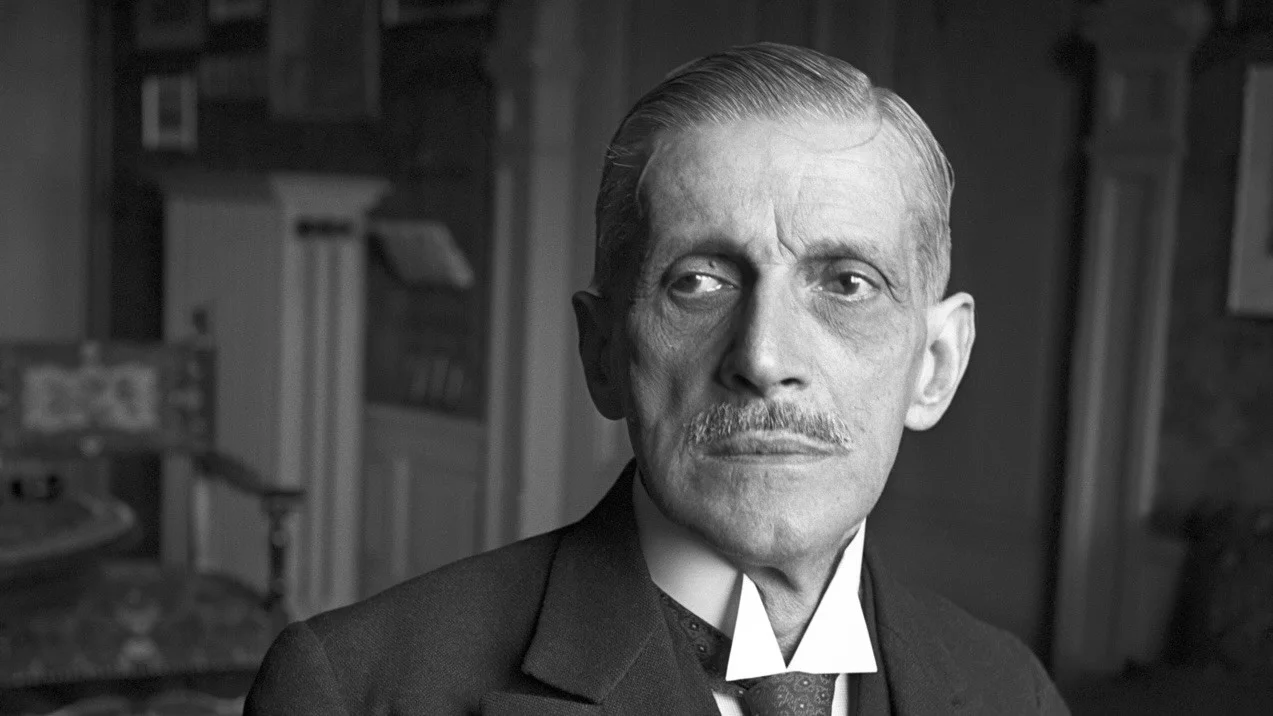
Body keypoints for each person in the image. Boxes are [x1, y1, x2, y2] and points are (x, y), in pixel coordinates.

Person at [245, 42, 1070, 715]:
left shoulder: (1012, 692)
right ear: (602, 352)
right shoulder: (352, 690)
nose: (763, 358)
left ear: (935, 366)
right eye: (699, 282)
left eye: (846, 283)